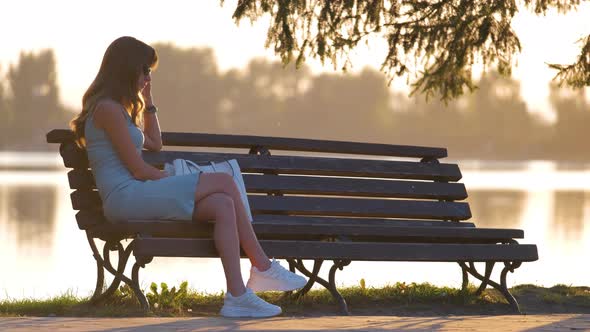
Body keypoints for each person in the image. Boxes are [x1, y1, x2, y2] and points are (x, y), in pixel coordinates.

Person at [69, 36, 307, 318]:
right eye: (144, 71)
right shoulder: (107, 109)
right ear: (127, 68)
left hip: (135, 193)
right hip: (125, 197)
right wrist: (171, 176)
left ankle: (237, 296)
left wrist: (148, 100)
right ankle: (263, 266)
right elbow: (138, 170)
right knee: (225, 181)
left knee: (222, 203)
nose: (147, 77)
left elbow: (155, 143)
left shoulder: (119, 109)